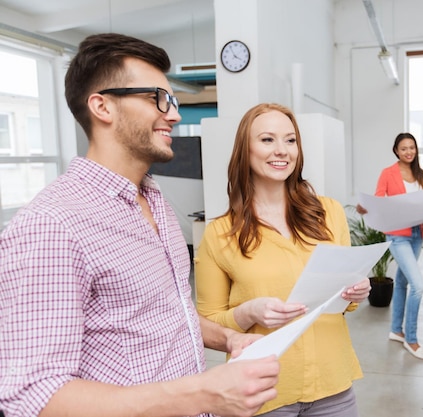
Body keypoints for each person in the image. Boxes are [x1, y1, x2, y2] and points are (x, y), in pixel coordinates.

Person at [0, 33, 280, 417]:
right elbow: (34, 396)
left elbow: (167, 313)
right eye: (156, 99)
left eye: (173, 99)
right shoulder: (51, 225)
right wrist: (201, 394)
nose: (175, 114)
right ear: (102, 106)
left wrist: (228, 337)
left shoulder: (153, 199)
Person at [195, 103, 371, 417]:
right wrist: (248, 312)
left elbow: (344, 302)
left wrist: (354, 292)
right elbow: (205, 324)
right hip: (261, 392)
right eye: (267, 140)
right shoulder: (220, 234)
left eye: (290, 140)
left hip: (333, 385)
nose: (282, 151)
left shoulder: (328, 213)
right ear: (244, 151)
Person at [356, 133, 423, 359]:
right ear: (396, 151)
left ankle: (396, 330)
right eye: (403, 148)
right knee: (418, 286)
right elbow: (380, 201)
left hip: (417, 234)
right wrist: (366, 208)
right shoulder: (388, 174)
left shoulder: (422, 176)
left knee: (402, 281)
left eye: (412, 148)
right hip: (397, 236)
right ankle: (411, 339)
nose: (408, 152)